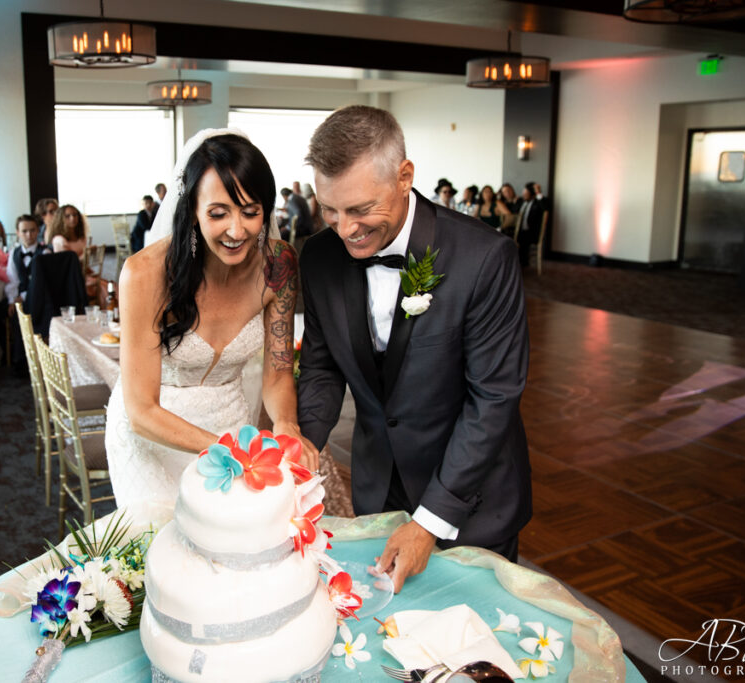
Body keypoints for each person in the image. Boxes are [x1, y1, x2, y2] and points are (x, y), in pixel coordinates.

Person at [298, 106, 531, 593]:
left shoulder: (484, 258)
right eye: (330, 210)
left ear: (404, 177)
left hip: (471, 502)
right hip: (378, 492)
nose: (345, 229)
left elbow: (492, 401)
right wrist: (305, 443)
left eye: (360, 209)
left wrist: (430, 521)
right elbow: (321, 365)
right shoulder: (320, 257)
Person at [104, 129, 317, 530]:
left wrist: (286, 422)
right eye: (219, 213)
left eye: (251, 211)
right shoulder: (145, 274)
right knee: (164, 554)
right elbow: (142, 411)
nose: (237, 231)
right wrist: (227, 451)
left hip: (230, 422)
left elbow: (277, 372)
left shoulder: (279, 265)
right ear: (193, 210)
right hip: (155, 434)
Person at [5, 214, 46, 372]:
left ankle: (34, 360)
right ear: (18, 232)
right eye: (24, 231)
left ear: (37, 231)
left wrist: (23, 297)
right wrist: (12, 299)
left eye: (32, 230)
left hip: (39, 299)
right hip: (21, 297)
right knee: (12, 312)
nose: (29, 235)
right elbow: (12, 279)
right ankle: (19, 360)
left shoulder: (45, 252)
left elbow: (42, 286)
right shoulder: (14, 253)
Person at [514, 182, 547, 268]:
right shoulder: (520, 201)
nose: (523, 194)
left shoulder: (538, 203)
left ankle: (520, 264)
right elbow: (513, 213)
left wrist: (538, 192)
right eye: (523, 192)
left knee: (521, 239)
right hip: (517, 230)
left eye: (526, 193)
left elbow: (546, 208)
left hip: (531, 232)